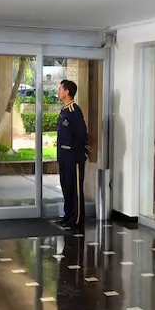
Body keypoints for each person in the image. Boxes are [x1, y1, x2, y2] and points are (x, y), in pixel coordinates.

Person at [55, 80, 90, 229]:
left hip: (73, 157)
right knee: (66, 186)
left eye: (60, 89)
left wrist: (77, 151)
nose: (58, 91)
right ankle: (68, 215)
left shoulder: (74, 110)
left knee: (74, 188)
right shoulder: (64, 110)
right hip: (64, 156)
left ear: (67, 92)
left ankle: (77, 219)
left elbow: (81, 134)